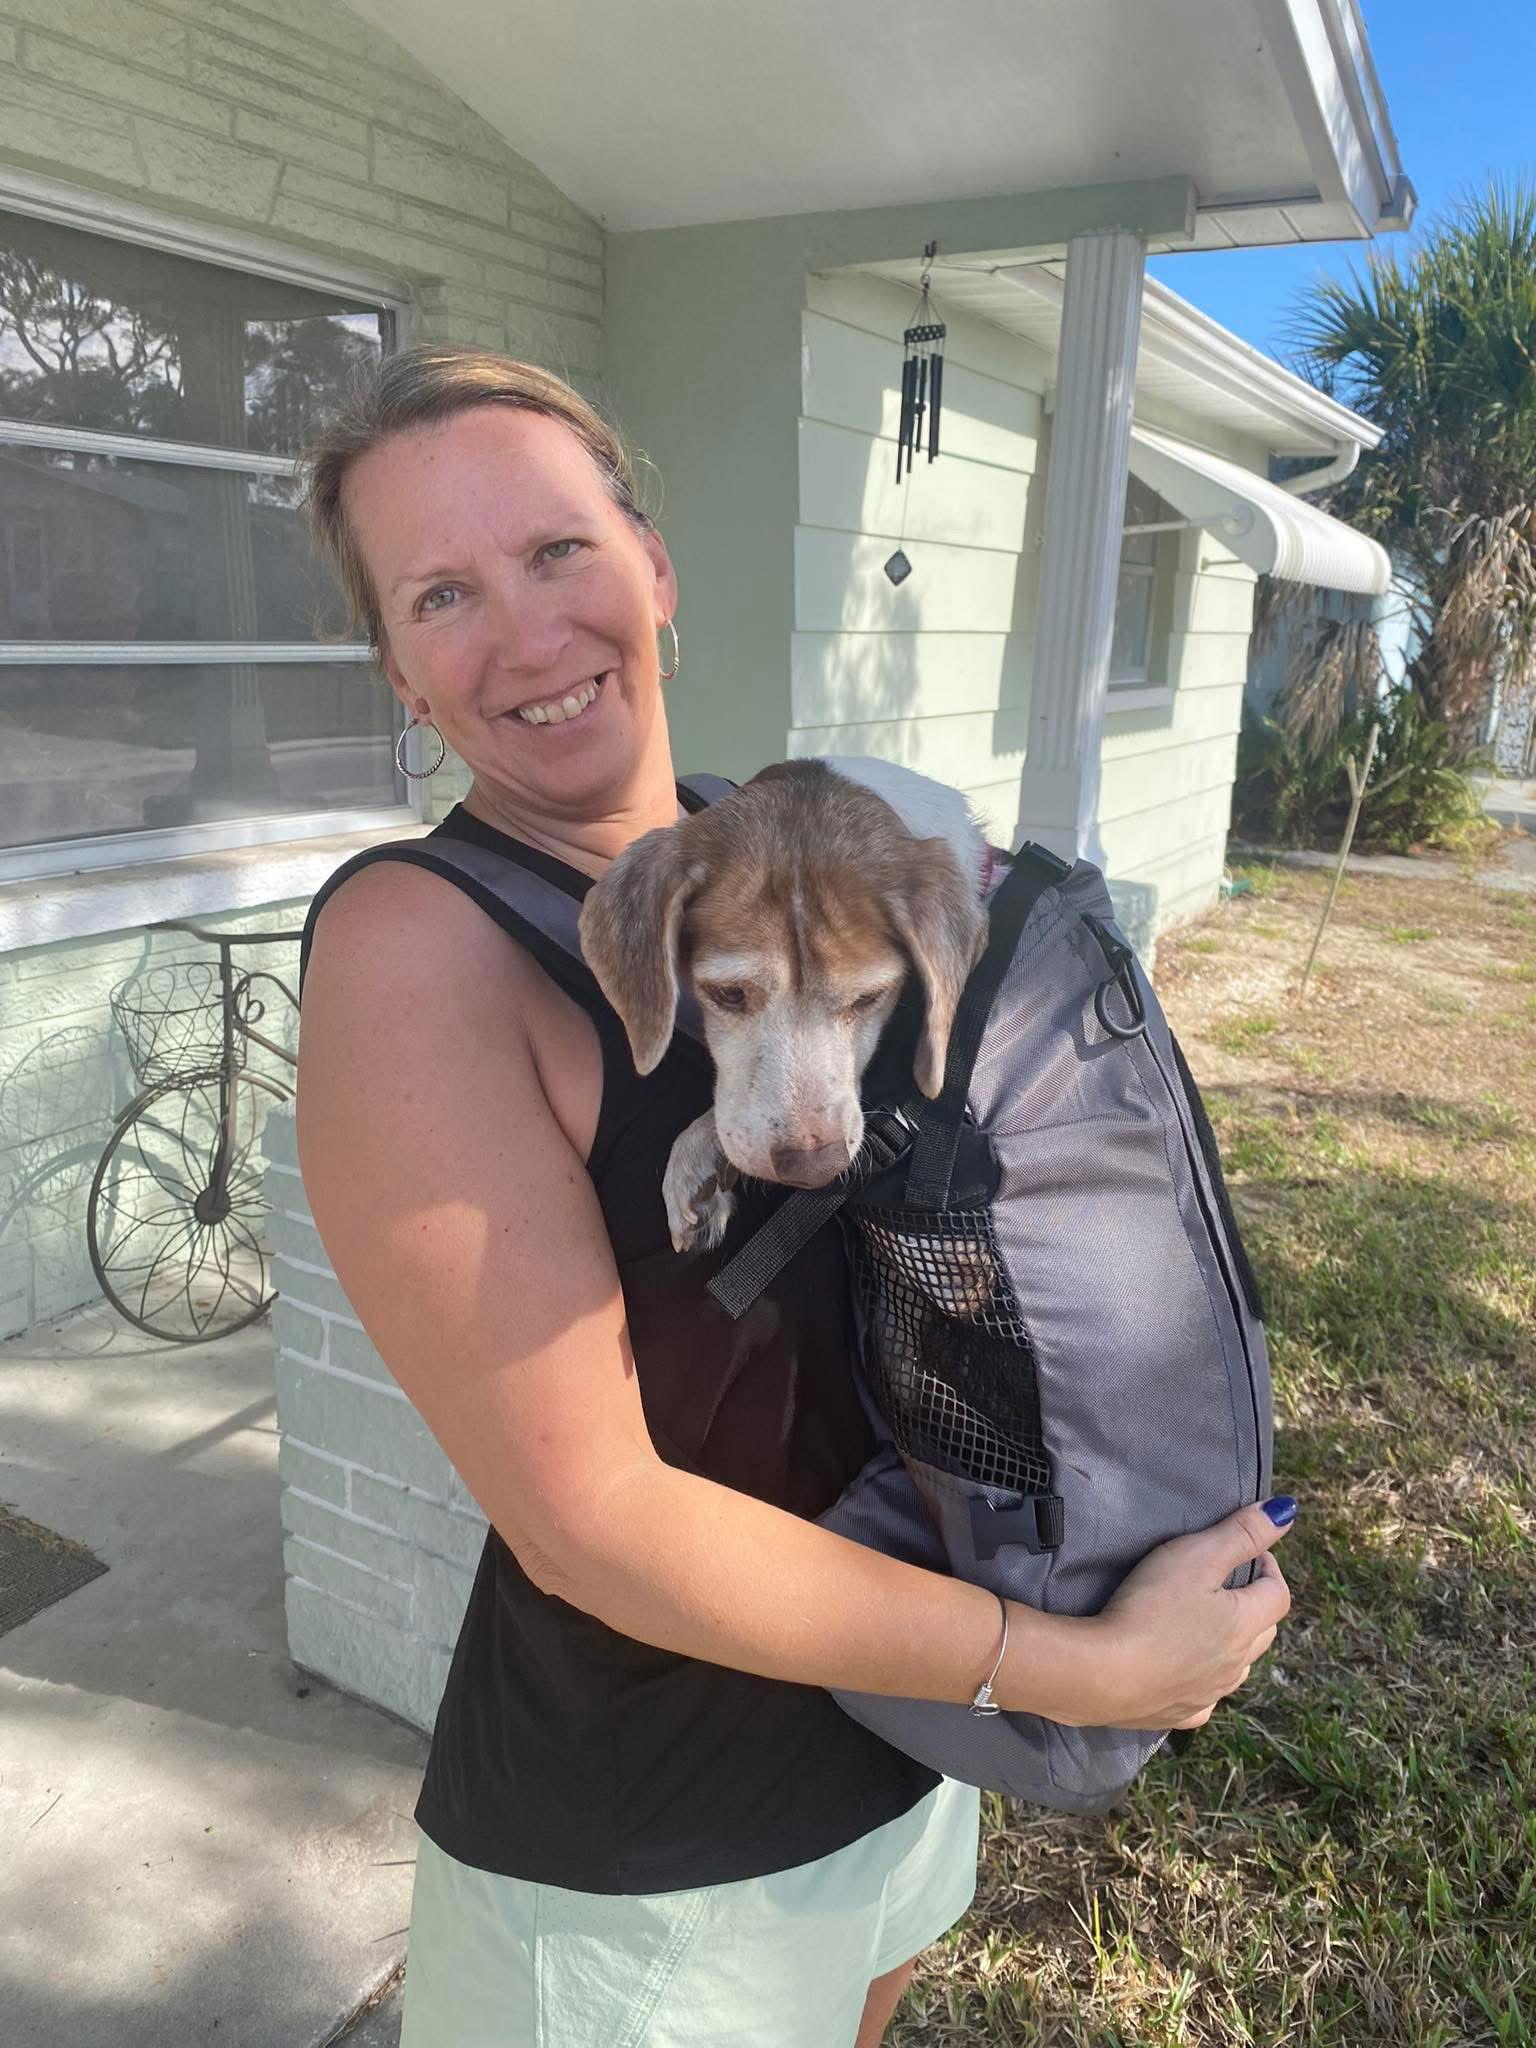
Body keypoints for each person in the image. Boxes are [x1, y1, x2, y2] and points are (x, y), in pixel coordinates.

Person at [295, 345, 1294, 2048]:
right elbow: (592, 1522)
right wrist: (1090, 1674)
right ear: (395, 664)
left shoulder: (768, 847)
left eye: (556, 552)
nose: (527, 634)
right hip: (653, 1856)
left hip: (907, 1743)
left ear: (653, 568)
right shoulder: (421, 950)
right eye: (442, 593)